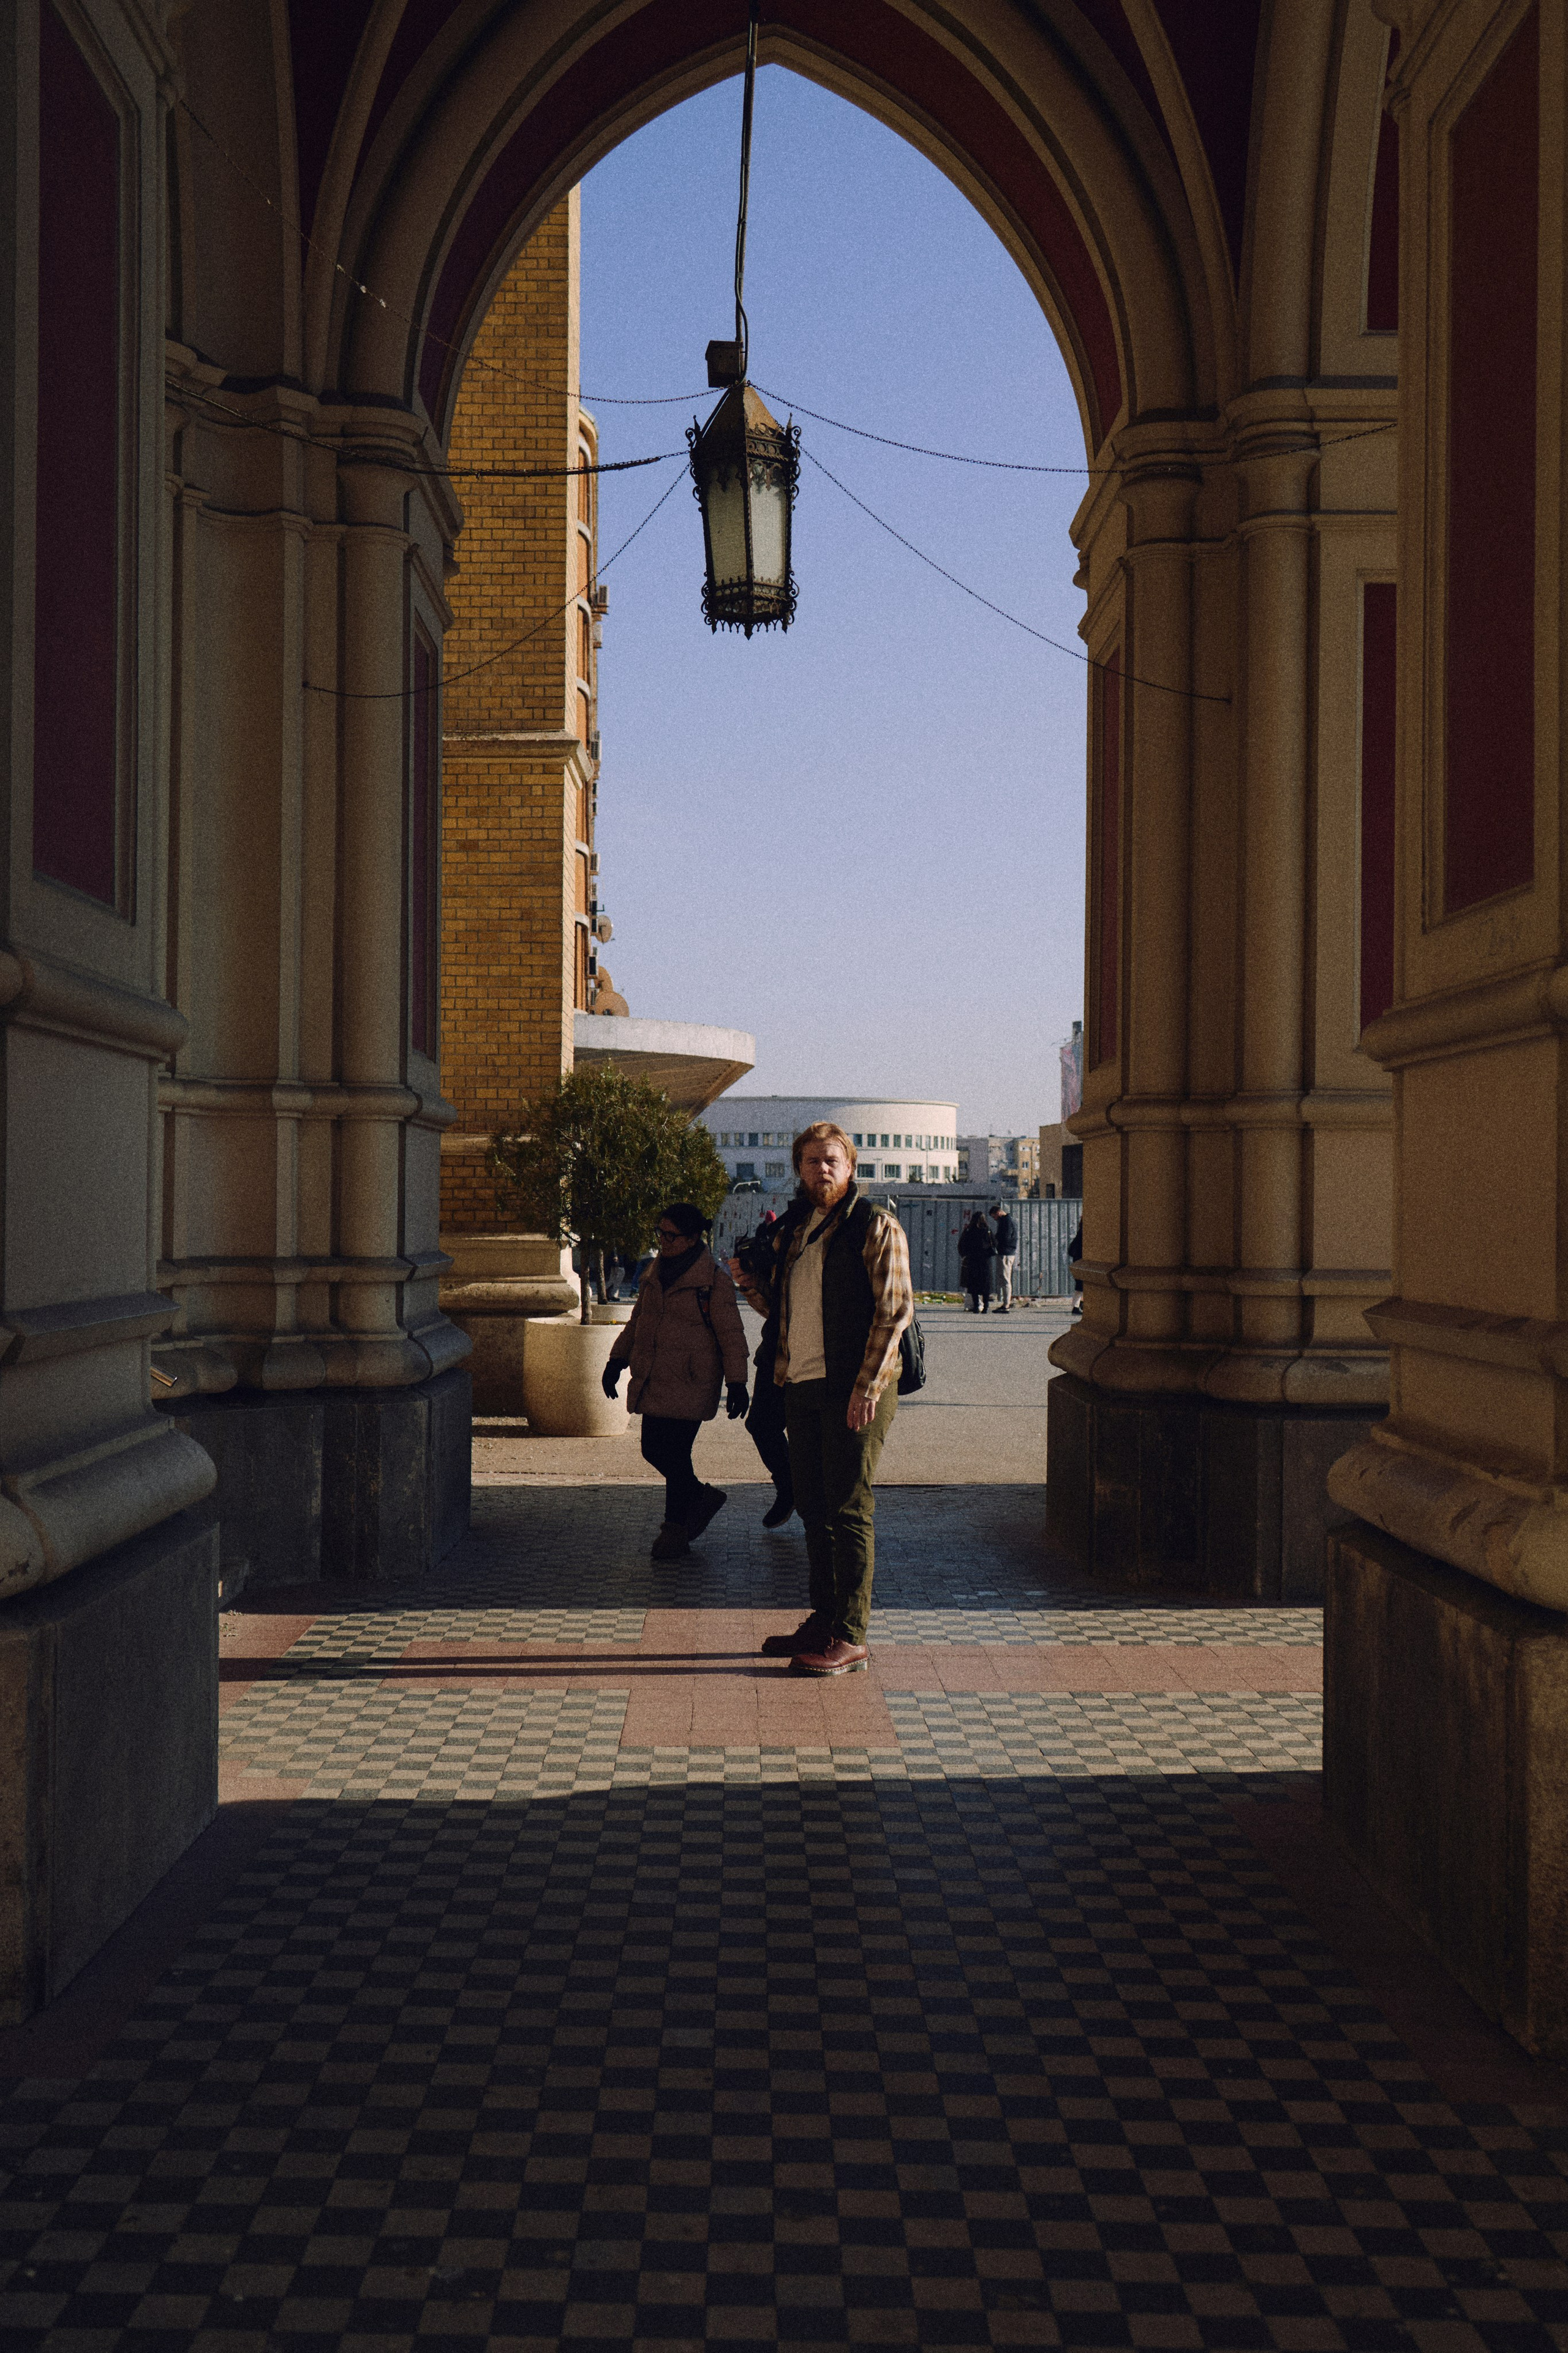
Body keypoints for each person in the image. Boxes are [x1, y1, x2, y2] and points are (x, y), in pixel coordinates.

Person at [731, 1124, 913, 1677]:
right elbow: (784, 1314)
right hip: (803, 1384)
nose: (821, 1169)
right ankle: (825, 1617)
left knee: (849, 1508)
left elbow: (894, 1312)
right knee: (812, 1505)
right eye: (810, 1161)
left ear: (851, 1166)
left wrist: (867, 1388)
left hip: (856, 1387)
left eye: (831, 1160)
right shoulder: (798, 1229)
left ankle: (851, 1633)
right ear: (799, 1169)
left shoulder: (875, 1223)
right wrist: (750, 1286)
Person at [602, 1203, 750, 1562]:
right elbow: (639, 1321)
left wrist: (738, 1384)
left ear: (692, 1237)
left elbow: (732, 1335)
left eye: (672, 1235)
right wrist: (617, 1359)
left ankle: (674, 1531)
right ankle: (700, 1497)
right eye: (661, 1233)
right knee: (653, 1449)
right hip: (655, 1377)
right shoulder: (655, 1272)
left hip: (691, 1380)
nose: (664, 1241)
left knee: (676, 1454)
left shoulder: (713, 1281)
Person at [737, 1201, 807, 1528]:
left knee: (812, 1439)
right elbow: (773, 1307)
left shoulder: (851, 1230)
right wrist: (750, 1284)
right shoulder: (786, 1234)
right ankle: (789, 1487)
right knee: (761, 1424)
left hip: (822, 1360)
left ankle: (812, 1509)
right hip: (777, 1353)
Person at [958, 1209, 995, 1313]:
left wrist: (965, 1255)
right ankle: (986, 1307)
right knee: (985, 1285)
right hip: (985, 1261)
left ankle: (976, 1306)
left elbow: (962, 1245)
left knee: (973, 1284)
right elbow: (995, 1244)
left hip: (973, 1260)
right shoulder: (987, 1230)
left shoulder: (969, 1231)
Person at [989, 1202, 1018, 1312]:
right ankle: (1005, 1304)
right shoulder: (1007, 1221)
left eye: (994, 1216)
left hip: (1006, 1253)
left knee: (1006, 1279)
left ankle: (1006, 1305)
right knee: (1004, 1278)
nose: (995, 1219)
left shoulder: (1006, 1222)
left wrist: (995, 1241)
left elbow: (1005, 1237)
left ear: (998, 1213)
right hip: (1007, 1252)